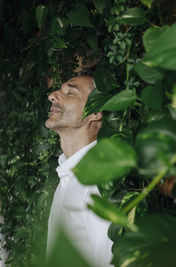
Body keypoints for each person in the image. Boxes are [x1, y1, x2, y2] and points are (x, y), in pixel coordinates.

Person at [45, 75, 113, 266]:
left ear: (96, 112)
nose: (52, 96)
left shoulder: (99, 185)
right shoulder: (67, 175)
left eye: (70, 92)